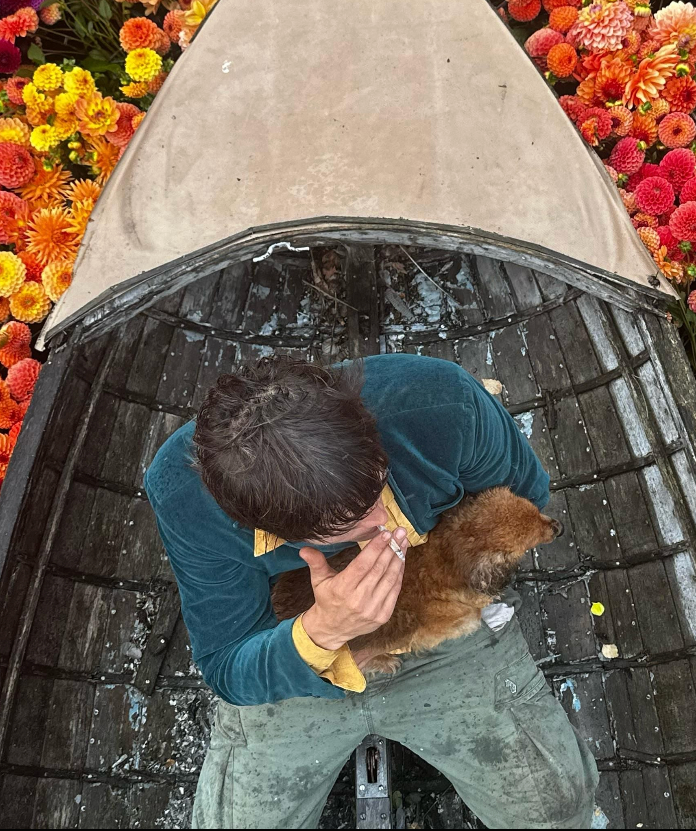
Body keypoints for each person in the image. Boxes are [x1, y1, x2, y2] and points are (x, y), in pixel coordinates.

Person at [144, 353, 598, 829]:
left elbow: (524, 498)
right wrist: (321, 633)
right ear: (275, 531)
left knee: (557, 812)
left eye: (378, 486)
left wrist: (443, 575)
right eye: (347, 525)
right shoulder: (185, 499)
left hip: (439, 632)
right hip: (293, 658)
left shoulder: (443, 402)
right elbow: (227, 665)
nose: (385, 522)